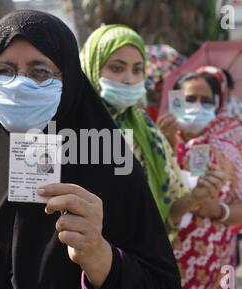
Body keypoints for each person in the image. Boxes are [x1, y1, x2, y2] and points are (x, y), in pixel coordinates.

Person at [0, 10, 185, 289]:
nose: (20, 85)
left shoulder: (109, 166)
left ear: (71, 78)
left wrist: (103, 261)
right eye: (3, 70)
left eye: (40, 71)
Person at [80, 25, 226, 232]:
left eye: (137, 70)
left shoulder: (147, 131)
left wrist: (195, 198)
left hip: (133, 258)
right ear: (92, 67)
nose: (129, 79)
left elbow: (168, 215)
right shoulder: (68, 129)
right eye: (117, 68)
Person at [158, 66, 242, 289]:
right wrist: (166, 145)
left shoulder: (228, 147)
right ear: (176, 101)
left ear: (218, 104)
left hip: (213, 267)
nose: (198, 106)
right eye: (190, 99)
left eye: (206, 101)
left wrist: (218, 210)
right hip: (164, 262)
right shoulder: (155, 141)